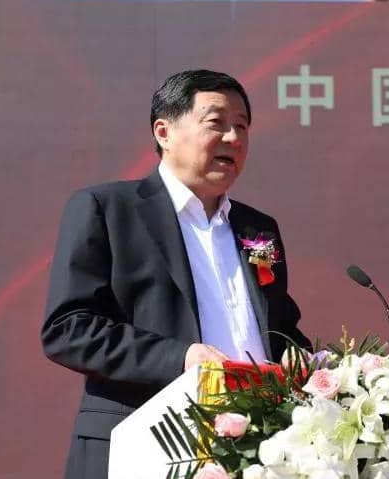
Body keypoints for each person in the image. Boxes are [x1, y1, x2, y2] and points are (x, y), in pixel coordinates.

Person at [41, 70, 311, 479]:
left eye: (242, 126)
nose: (234, 138)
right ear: (164, 132)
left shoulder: (258, 228)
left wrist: (303, 359)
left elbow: (281, 329)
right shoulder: (108, 209)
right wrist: (180, 358)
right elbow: (68, 329)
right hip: (145, 444)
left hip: (253, 451)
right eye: (216, 123)